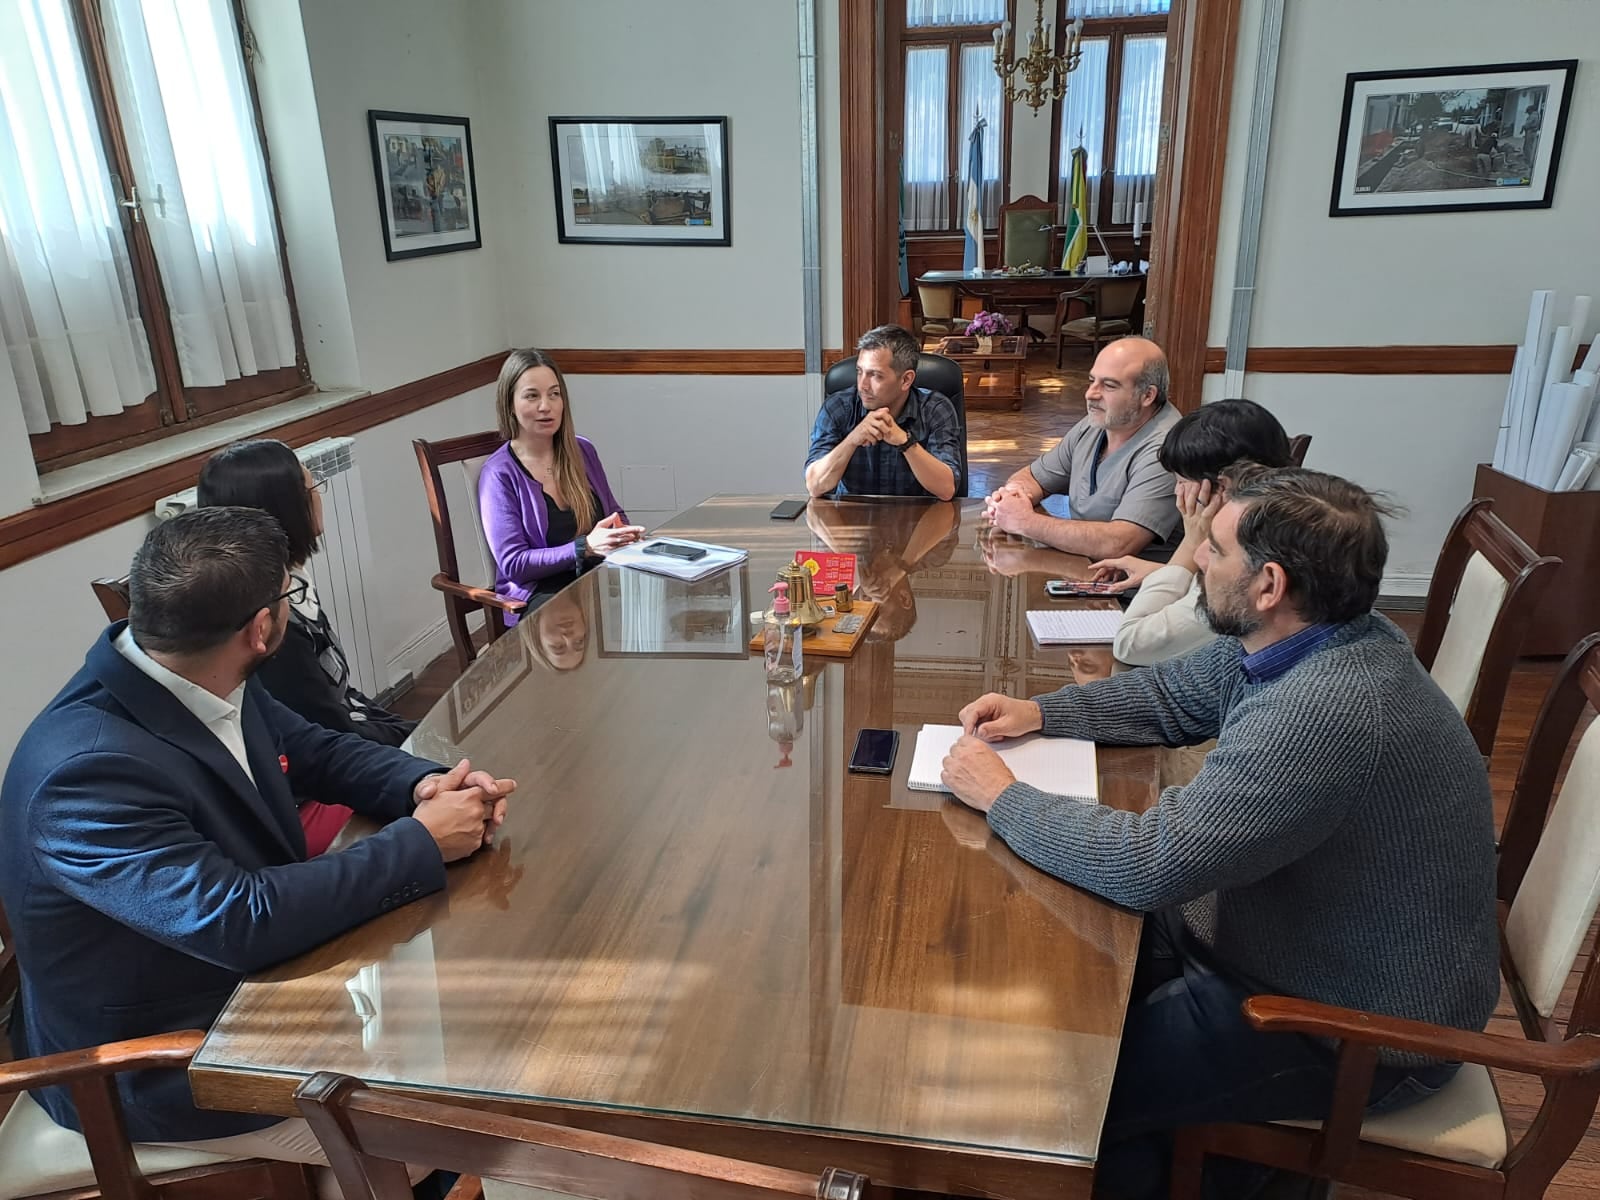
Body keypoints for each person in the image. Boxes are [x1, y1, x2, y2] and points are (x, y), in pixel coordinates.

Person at [940, 467, 1499, 1199]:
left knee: (1068, 1091)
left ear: (1268, 584)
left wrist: (1004, 798)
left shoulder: (1327, 708)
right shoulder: (1314, 638)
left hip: (1354, 1031)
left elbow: (1152, 864)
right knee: (1064, 996)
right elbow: (1175, 695)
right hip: (1284, 952)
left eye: (1214, 547)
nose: (1195, 556)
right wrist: (1044, 715)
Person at [0, 507, 516, 1182]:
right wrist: (420, 842)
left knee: (458, 1043)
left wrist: (423, 786)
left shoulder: (191, 667)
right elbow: (239, 918)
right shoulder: (83, 774)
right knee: (453, 1127)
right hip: (155, 1065)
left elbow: (318, 750)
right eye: (289, 594)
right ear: (263, 628)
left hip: (251, 992)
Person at [197, 438, 416, 747]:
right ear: (284, 510)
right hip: (339, 761)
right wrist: (417, 737)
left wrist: (410, 729)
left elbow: (340, 696)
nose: (318, 498)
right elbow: (332, 734)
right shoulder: (272, 622)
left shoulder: (291, 581)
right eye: (312, 490)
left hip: (352, 737)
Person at [1088, 399, 1293, 665]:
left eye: (1183, 482)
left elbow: (1131, 643)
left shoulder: (1247, 559)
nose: (1177, 493)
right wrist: (1158, 572)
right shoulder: (1286, 523)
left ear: (1222, 489)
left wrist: (1191, 543)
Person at [479, 349, 643, 617]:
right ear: (509, 403)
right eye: (532, 396)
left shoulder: (582, 450)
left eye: (554, 394)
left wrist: (621, 534)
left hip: (596, 578)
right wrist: (584, 547)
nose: (546, 405)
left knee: (658, 602)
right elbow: (514, 563)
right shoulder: (499, 474)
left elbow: (615, 514)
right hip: (541, 594)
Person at [984, 336, 1180, 560]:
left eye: (1109, 385)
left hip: (1134, 590)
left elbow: (1120, 544)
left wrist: (1025, 521)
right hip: (1082, 569)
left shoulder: (1166, 449)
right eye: (1092, 381)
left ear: (1147, 396)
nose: (1091, 394)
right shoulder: (1099, 422)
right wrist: (1013, 497)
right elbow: (1034, 477)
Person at [805, 325, 962, 501]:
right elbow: (815, 485)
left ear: (905, 380)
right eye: (859, 372)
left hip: (918, 522)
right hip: (851, 521)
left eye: (875, 375)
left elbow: (947, 489)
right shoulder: (838, 407)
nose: (862, 385)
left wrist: (905, 442)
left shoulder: (935, 409)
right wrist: (852, 440)